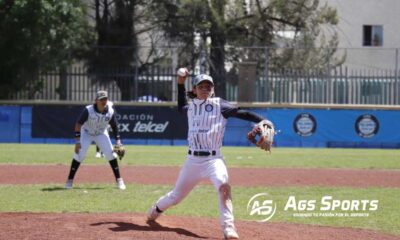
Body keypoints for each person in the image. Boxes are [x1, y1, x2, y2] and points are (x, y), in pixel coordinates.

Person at [146, 69, 272, 239]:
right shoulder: (190, 108)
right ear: (195, 90)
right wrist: (180, 82)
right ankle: (155, 210)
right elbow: (179, 105)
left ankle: (229, 228)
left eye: (208, 86)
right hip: (192, 161)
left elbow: (243, 113)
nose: (205, 89)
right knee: (175, 197)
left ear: (213, 89)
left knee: (224, 187)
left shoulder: (220, 105)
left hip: (214, 160)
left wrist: (263, 120)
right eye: (201, 86)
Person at [65, 90, 126, 190]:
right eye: (101, 99)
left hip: (101, 133)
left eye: (105, 99)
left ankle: (119, 180)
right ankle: (69, 180)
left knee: (111, 154)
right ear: (96, 100)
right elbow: (78, 124)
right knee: (79, 155)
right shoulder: (88, 110)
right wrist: (77, 141)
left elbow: (114, 126)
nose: (104, 101)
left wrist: (118, 142)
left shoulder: (110, 111)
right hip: (87, 132)